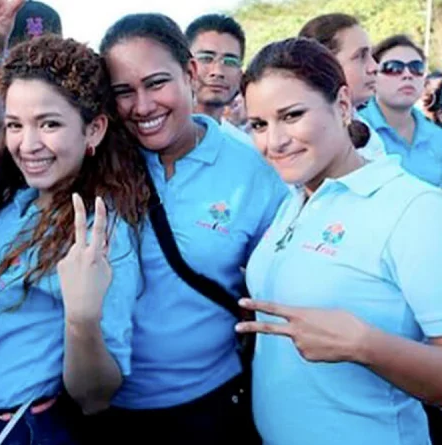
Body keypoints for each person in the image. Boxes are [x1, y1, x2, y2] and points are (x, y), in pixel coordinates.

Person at [92, 13, 286, 443]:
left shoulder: (253, 170)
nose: (142, 106)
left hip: (211, 407)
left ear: (190, 73)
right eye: (124, 91)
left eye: (156, 83)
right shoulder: (93, 160)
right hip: (102, 411)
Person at [239, 36, 442, 445]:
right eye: (259, 124)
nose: (273, 142)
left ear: (343, 105)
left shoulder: (415, 209)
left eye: (292, 115)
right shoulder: (297, 197)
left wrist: (364, 345)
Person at [0, 35, 148, 444]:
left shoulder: (100, 232)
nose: (28, 144)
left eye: (50, 124)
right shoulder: (10, 201)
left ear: (93, 130)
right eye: (15, 125)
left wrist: (82, 318)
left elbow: (96, 395)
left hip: (23, 430)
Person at [299, 13, 386, 161]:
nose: (374, 67)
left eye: (371, 55)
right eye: (360, 56)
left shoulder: (360, 124)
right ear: (324, 66)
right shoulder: (301, 138)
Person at [358, 35, 442, 186]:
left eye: (416, 68)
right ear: (373, 76)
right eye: (393, 68)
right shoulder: (354, 130)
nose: (407, 75)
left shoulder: (437, 136)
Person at [185, 14, 253, 145]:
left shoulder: (246, 149)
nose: (218, 72)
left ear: (240, 73)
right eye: (206, 58)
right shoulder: (154, 140)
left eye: (230, 61)